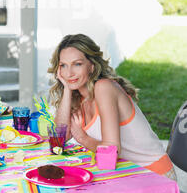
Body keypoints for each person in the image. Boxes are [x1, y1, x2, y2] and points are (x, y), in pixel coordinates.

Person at [48, 33, 176, 180]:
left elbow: (111, 151)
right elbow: (59, 139)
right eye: (63, 65)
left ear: (91, 66)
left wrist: (83, 138)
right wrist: (67, 89)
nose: (69, 73)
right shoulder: (79, 97)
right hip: (124, 172)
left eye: (77, 64)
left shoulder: (104, 88)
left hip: (152, 174)